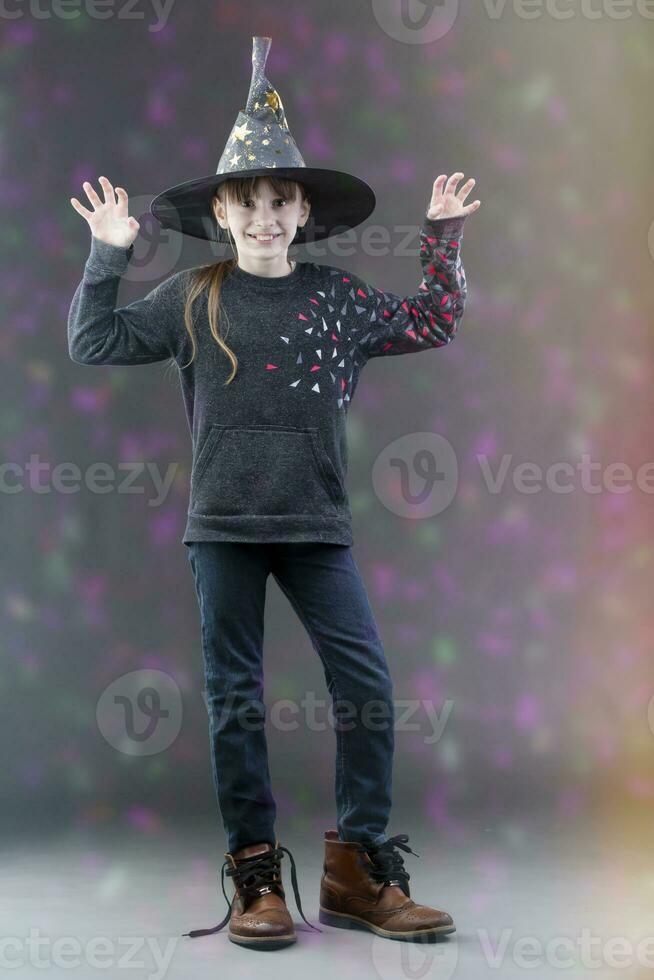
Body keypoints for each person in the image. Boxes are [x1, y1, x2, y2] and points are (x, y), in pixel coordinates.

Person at [68, 35, 480, 952]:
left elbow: (434, 319)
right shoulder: (191, 296)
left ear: (302, 213)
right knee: (236, 700)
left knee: (366, 686)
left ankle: (359, 868)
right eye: (245, 203)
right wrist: (107, 256)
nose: (263, 216)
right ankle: (256, 870)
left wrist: (443, 238)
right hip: (222, 530)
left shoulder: (333, 298)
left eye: (278, 201)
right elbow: (94, 344)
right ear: (223, 213)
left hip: (315, 527)